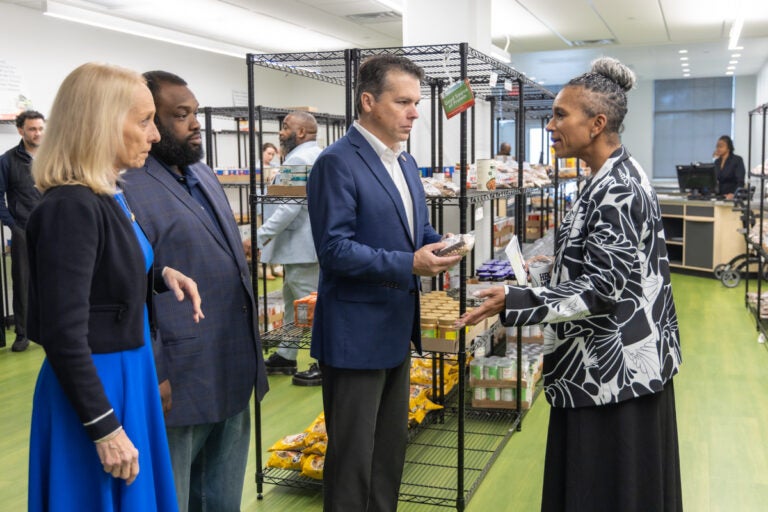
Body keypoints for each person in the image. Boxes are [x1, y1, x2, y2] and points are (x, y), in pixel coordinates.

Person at [458, 57, 683, 512]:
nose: (551, 124)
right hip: (619, 367)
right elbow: (609, 265)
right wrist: (553, 265)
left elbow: (604, 289)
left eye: (561, 114)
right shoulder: (609, 176)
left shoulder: (616, 188)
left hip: (612, 377)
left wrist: (517, 299)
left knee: (604, 490)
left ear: (597, 123)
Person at [26, 62, 203, 511]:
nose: (156, 135)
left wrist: (160, 275)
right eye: (144, 121)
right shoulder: (70, 206)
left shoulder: (108, 194)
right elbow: (64, 334)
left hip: (131, 371)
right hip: (98, 387)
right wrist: (104, 426)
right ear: (100, 123)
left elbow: (102, 274)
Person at [307, 54, 461, 511]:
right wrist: (409, 263)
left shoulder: (406, 162)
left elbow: (415, 234)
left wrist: (445, 244)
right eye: (403, 102)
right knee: (353, 459)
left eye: (416, 102)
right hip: (355, 335)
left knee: (389, 454)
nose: (415, 112)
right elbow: (334, 250)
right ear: (368, 101)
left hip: (395, 328)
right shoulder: (337, 163)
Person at [121, 70, 269, 512]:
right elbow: (133, 290)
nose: (194, 123)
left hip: (232, 359)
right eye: (179, 115)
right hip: (179, 376)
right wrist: (157, 368)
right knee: (177, 495)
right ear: (150, 122)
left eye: (195, 113)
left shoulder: (201, 172)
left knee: (223, 497)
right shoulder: (127, 185)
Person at [259, 111, 322, 384]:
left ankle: (325, 363)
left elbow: (288, 207)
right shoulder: (316, 155)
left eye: (285, 128)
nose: (280, 133)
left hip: (301, 247)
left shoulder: (298, 159)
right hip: (303, 247)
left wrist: (260, 236)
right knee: (292, 302)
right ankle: (286, 354)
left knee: (312, 305)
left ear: (301, 133)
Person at [0, 110, 44, 352]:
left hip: (54, 230)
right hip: (23, 231)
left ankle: (53, 327)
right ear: (21, 131)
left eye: (40, 128)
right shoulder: (6, 161)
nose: (37, 133)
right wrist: (13, 226)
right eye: (32, 129)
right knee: (23, 283)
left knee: (56, 279)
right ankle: (22, 333)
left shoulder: (53, 156)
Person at [713, 134, 746, 199]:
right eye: (717, 146)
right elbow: (714, 180)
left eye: (721, 146)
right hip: (719, 196)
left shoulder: (737, 160)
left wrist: (734, 194)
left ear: (728, 148)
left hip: (732, 196)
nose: (718, 148)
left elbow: (740, 181)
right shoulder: (717, 162)